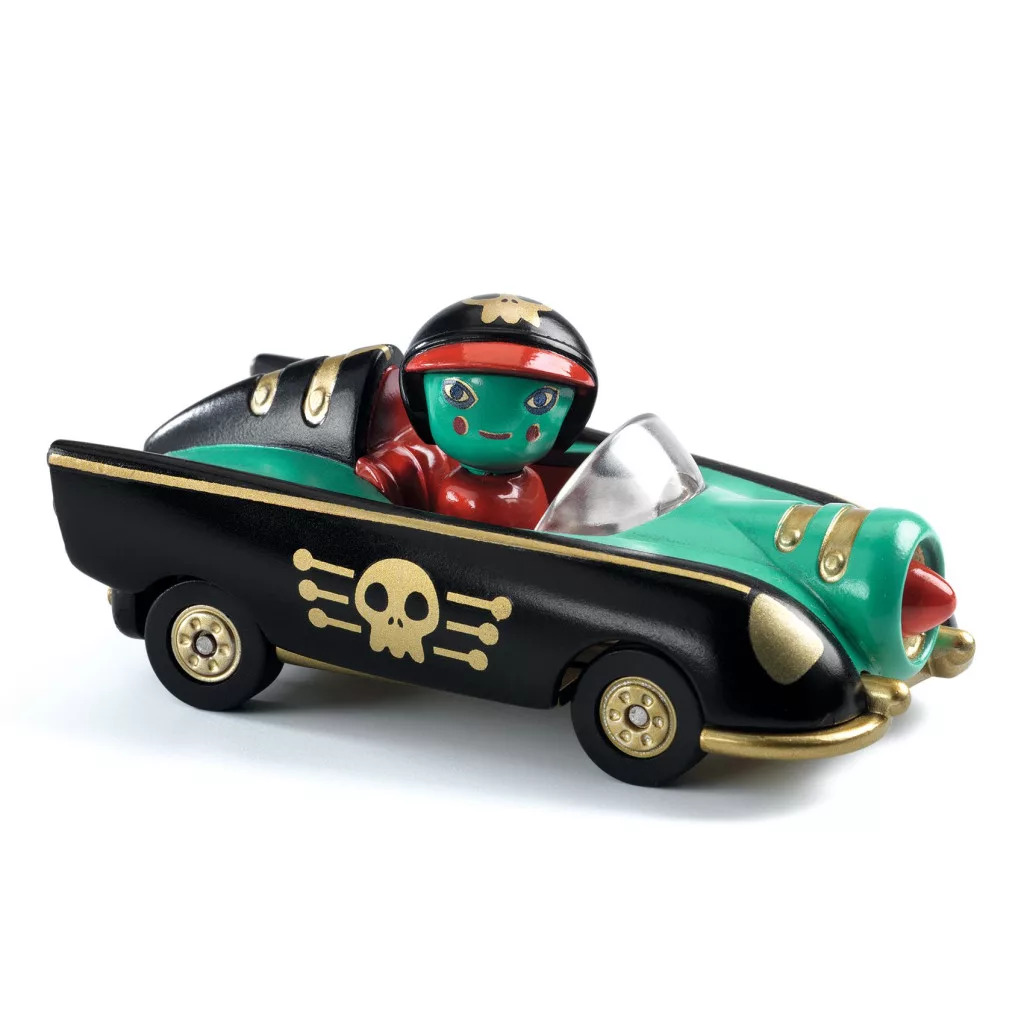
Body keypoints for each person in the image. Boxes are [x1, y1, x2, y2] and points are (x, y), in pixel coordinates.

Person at [356, 294, 598, 529]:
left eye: (541, 400)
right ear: (421, 403)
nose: (500, 422)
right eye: (457, 393)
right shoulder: (456, 493)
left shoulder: (532, 483)